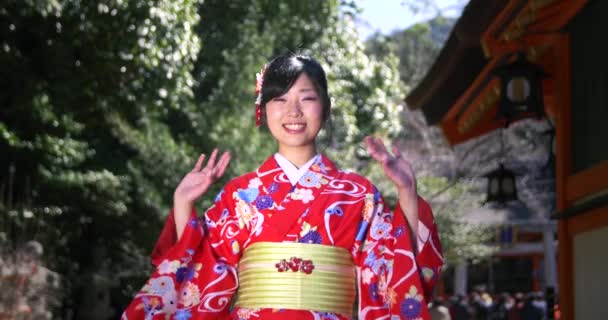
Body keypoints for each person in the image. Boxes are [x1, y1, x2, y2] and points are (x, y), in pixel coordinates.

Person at [121, 52, 444, 319]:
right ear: (262, 110)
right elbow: (198, 268)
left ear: (326, 107)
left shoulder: (358, 194)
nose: (293, 111)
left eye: (306, 98)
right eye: (279, 99)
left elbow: (398, 270)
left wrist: (407, 193)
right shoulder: (239, 196)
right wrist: (182, 203)